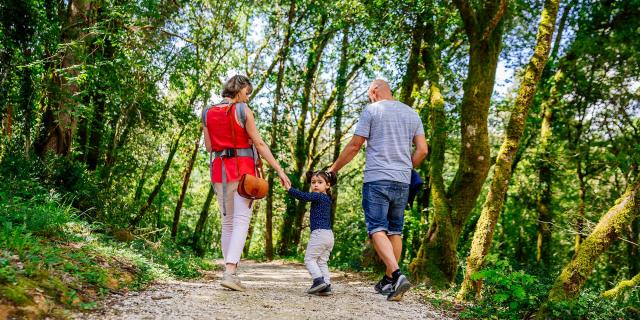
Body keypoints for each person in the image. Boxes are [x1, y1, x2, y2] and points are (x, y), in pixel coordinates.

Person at [328, 79, 428, 301]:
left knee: (376, 228)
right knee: (395, 230)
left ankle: (397, 274)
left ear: (374, 92)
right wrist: (405, 167)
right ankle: (391, 282)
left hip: (377, 178)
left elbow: (355, 145)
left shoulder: (372, 110)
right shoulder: (412, 113)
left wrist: (333, 169)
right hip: (402, 181)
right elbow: (422, 150)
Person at [202, 75, 291, 292]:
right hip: (243, 172)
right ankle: (231, 272)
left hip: (219, 172)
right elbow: (259, 143)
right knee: (241, 220)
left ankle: (228, 272)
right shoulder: (242, 110)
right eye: (247, 93)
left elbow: (208, 147)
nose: (248, 98)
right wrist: (279, 170)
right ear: (240, 89)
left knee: (227, 223)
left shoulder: (207, 111)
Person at [284, 171, 336, 296]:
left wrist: (289, 189)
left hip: (319, 233)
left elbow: (303, 196)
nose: (316, 185)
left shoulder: (318, 196)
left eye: (320, 182)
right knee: (322, 261)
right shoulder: (327, 199)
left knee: (309, 259)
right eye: (313, 182)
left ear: (327, 185)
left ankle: (318, 281)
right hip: (329, 235)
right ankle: (326, 285)